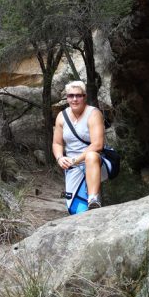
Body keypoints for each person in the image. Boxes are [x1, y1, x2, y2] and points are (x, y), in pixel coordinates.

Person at [52, 80, 109, 212]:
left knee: (91, 156)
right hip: (72, 166)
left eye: (79, 95)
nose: (75, 99)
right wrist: (60, 158)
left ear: (84, 97)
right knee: (75, 209)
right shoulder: (62, 116)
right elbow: (57, 143)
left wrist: (76, 159)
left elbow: (98, 144)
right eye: (71, 96)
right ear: (67, 98)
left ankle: (93, 198)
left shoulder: (94, 114)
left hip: (94, 163)